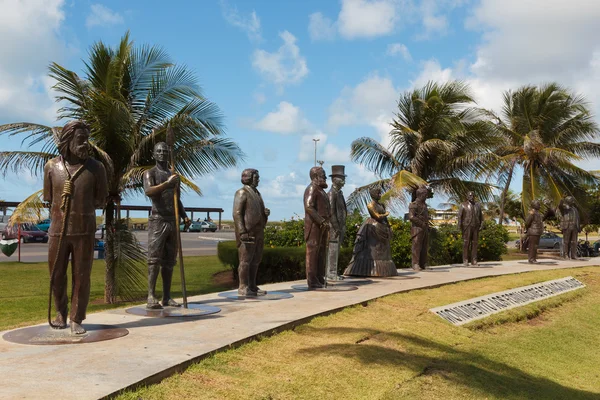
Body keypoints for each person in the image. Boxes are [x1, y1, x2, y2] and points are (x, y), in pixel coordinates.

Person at [43, 120, 108, 334]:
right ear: (67, 140)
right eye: (81, 140)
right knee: (56, 275)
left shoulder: (96, 168)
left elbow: (101, 200)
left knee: (81, 277)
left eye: (86, 140)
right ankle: (60, 313)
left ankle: (76, 318)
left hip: (84, 231)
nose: (85, 144)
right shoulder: (52, 167)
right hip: (57, 231)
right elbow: (49, 198)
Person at [143, 142, 190, 309]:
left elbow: (176, 198)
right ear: (154, 154)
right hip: (158, 220)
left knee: (169, 261)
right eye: (159, 151)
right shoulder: (150, 173)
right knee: (154, 259)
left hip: (173, 220)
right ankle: (151, 295)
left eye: (165, 151)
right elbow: (149, 191)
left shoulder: (172, 174)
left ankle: (167, 296)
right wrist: (167, 184)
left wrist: (184, 215)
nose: (162, 153)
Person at [343, 187, 397, 276]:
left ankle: (385, 270)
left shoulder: (382, 205)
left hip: (383, 226)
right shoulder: (370, 205)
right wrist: (385, 214)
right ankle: (365, 269)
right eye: (378, 193)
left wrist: (389, 226)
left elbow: (385, 219)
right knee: (372, 248)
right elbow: (377, 216)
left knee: (383, 250)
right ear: (373, 194)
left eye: (380, 193)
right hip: (373, 226)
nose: (380, 195)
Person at [233, 168, 270, 296]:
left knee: (256, 260)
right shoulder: (242, 193)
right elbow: (237, 214)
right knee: (245, 260)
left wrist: (265, 214)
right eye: (256, 177)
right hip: (248, 232)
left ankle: (252, 285)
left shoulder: (257, 193)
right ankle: (243, 286)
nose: (258, 179)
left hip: (258, 231)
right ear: (249, 178)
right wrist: (242, 231)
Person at [304, 166, 331, 289]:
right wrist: (320, 220)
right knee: (313, 253)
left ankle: (320, 277)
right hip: (315, 225)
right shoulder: (311, 189)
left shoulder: (321, 190)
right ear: (315, 177)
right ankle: (312, 280)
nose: (325, 177)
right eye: (323, 175)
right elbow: (309, 207)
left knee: (321, 252)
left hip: (323, 225)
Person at [326, 165, 347, 279]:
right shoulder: (332, 193)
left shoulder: (339, 193)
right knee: (333, 250)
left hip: (340, 226)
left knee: (336, 250)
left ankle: (334, 271)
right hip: (335, 228)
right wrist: (336, 226)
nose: (344, 180)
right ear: (334, 179)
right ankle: (331, 273)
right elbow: (331, 212)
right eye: (341, 178)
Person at [457, 191, 484, 266]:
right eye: (470, 195)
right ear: (467, 196)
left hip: (476, 226)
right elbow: (459, 216)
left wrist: (482, 224)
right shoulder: (463, 205)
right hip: (467, 226)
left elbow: (481, 216)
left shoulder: (477, 205)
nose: (471, 197)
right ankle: (465, 260)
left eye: (472, 195)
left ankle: (474, 260)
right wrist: (459, 226)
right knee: (466, 243)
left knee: (475, 244)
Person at [409, 185, 429, 271]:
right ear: (420, 195)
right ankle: (415, 264)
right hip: (417, 228)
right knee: (416, 247)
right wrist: (421, 224)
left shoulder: (424, 205)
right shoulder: (413, 205)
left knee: (424, 247)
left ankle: (422, 263)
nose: (426, 196)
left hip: (424, 228)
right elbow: (411, 217)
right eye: (425, 195)